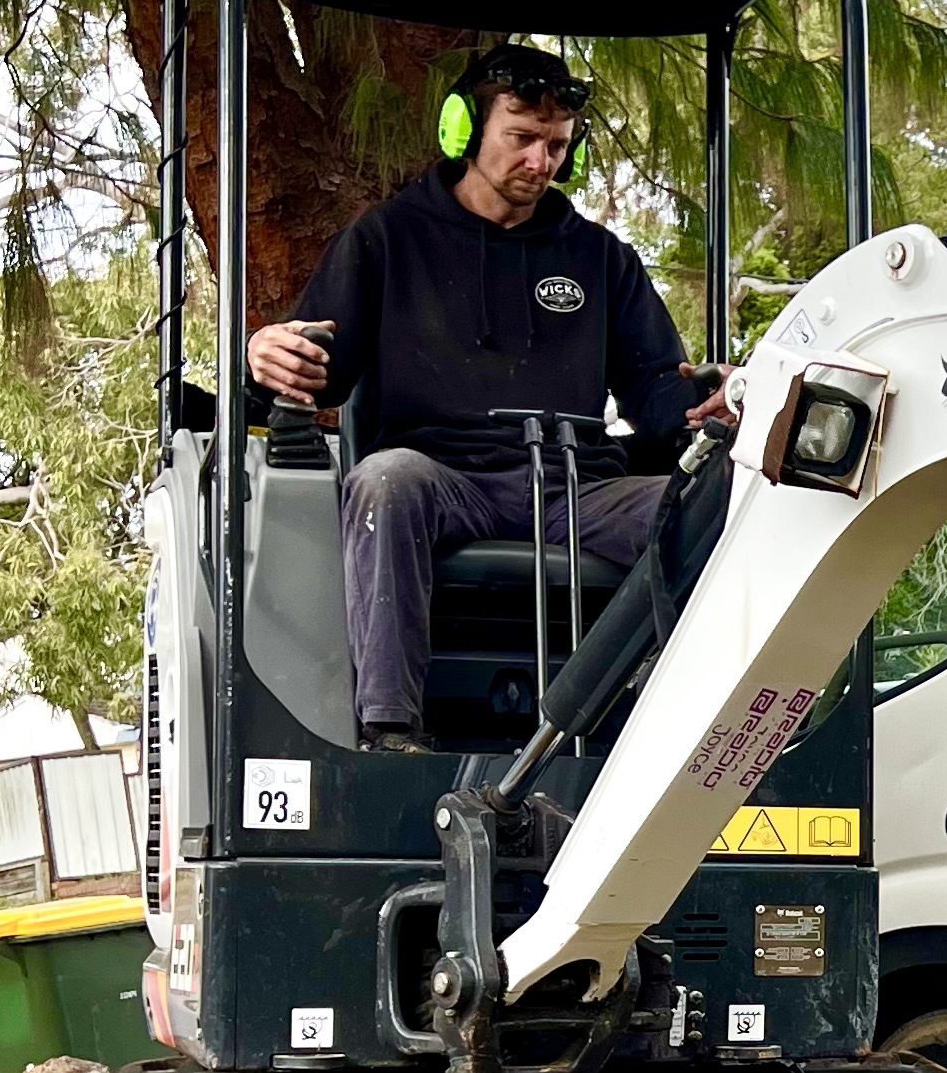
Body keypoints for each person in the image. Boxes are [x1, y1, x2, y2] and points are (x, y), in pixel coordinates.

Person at [245, 44, 732, 750]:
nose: (541, 162)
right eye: (523, 137)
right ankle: (390, 732)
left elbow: (656, 395)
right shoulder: (386, 239)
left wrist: (707, 405)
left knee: (723, 503)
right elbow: (314, 371)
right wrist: (266, 357)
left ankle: (677, 735)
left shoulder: (601, 258)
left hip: (573, 489)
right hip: (443, 483)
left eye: (557, 145)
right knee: (385, 481)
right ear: (464, 129)